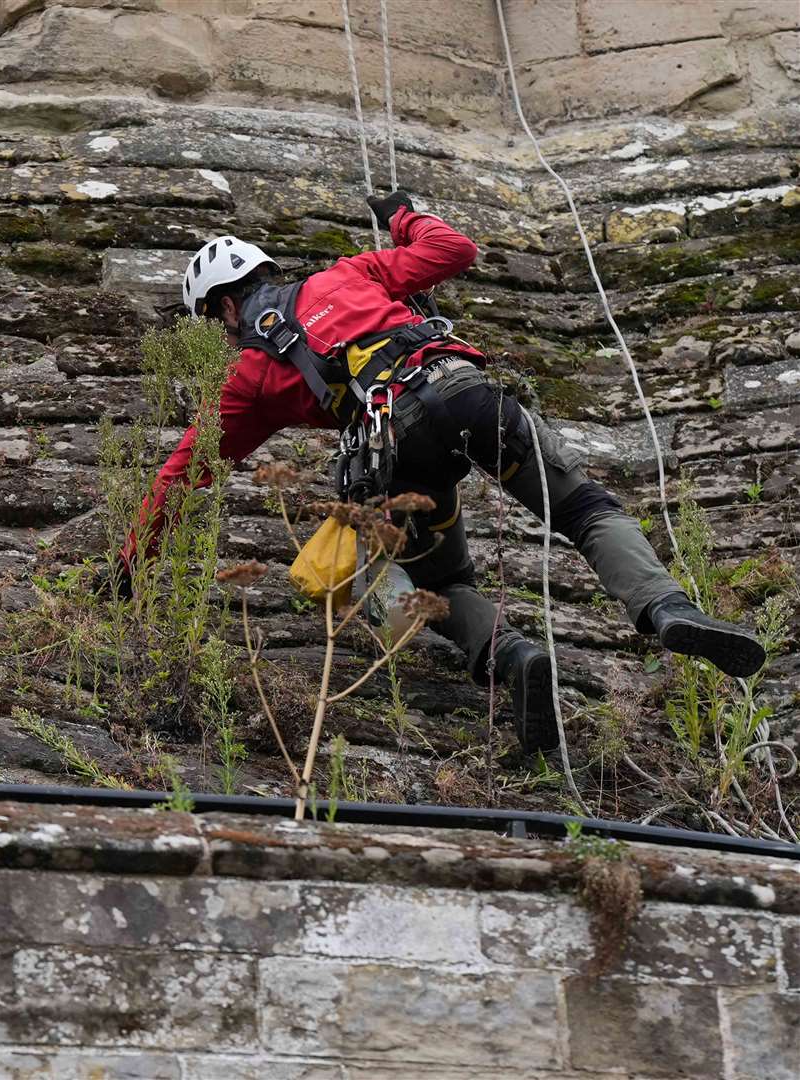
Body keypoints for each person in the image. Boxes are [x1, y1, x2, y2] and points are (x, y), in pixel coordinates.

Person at [121, 191, 766, 755]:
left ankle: (511, 655)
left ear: (227, 309)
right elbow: (454, 249)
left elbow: (182, 474)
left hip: (392, 452)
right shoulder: (349, 274)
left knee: (443, 583)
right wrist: (402, 215)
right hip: (463, 397)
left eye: (216, 321)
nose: (225, 333)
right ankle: (666, 607)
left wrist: (131, 564)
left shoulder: (252, 376)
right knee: (582, 509)